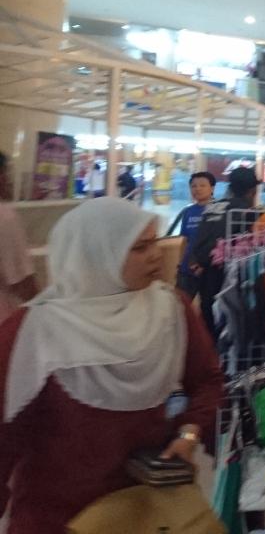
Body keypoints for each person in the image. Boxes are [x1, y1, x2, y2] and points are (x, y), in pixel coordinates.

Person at [0, 198, 223, 532]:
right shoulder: (35, 330)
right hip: (57, 516)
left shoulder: (170, 311)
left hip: (147, 511)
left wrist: (188, 434)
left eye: (155, 242)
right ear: (97, 254)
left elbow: (207, 380)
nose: (156, 255)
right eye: (140, 248)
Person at [190, 167, 263, 334]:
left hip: (204, 273)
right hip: (229, 278)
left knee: (209, 320)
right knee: (229, 326)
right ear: (252, 190)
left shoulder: (212, 207)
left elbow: (199, 238)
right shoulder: (249, 213)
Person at [165, 171, 216, 298]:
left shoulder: (218, 210)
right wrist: (180, 263)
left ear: (212, 188)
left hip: (209, 268)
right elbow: (185, 239)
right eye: (193, 186)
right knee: (180, 304)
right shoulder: (188, 211)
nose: (197, 189)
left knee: (208, 306)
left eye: (202, 185)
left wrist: (204, 263)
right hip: (187, 268)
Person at [0, 153, 38, 319]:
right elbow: (22, 282)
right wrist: (42, 311)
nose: (10, 181)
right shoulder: (5, 216)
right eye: (7, 173)